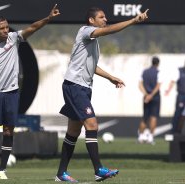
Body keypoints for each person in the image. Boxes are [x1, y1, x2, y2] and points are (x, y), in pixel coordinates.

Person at [0, 4, 60, 180]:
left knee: (8, 131)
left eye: (7, 27)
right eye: (2, 28)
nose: (6, 31)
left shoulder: (14, 39)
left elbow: (32, 27)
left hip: (11, 93)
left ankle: (2, 170)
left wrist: (48, 18)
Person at [55, 7, 149, 183]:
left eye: (105, 17)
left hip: (81, 87)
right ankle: (98, 170)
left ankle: (61, 173)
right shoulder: (85, 31)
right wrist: (132, 21)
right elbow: (109, 30)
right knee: (92, 125)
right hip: (75, 86)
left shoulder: (93, 42)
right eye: (101, 17)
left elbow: (92, 66)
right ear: (91, 20)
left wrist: (111, 77)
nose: (105, 19)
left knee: (73, 131)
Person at [137, 56, 161, 144]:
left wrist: (146, 94)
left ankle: (140, 137)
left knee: (145, 117)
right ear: (158, 63)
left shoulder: (145, 72)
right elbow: (158, 86)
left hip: (146, 97)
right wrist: (151, 95)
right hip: (155, 97)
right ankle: (150, 137)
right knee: (153, 117)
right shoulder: (158, 72)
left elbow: (140, 84)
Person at [165, 62, 185, 133]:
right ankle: (174, 131)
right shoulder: (179, 71)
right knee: (178, 114)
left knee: (183, 116)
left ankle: (179, 130)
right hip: (182, 95)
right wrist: (168, 90)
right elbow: (173, 81)